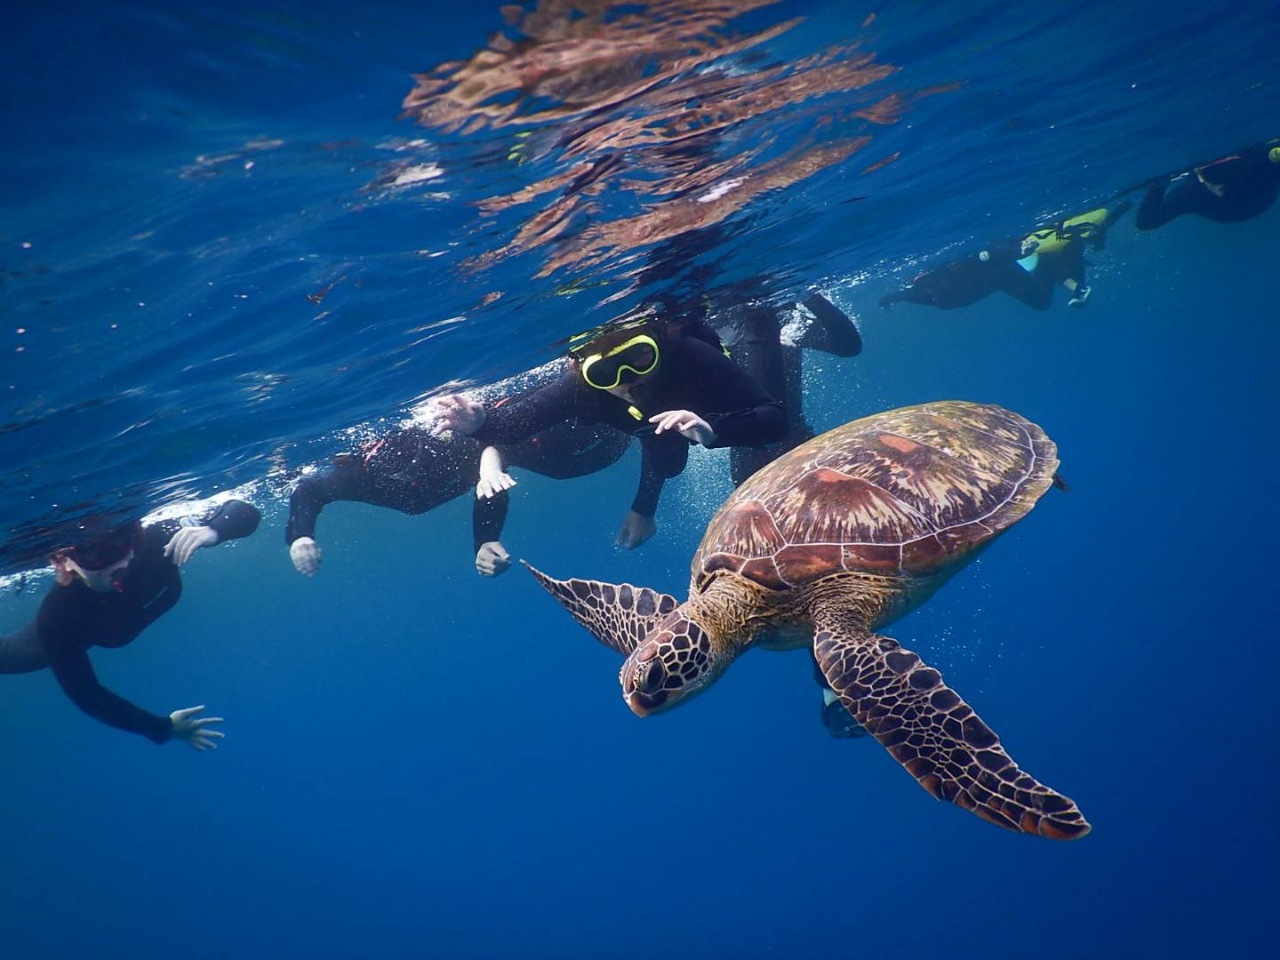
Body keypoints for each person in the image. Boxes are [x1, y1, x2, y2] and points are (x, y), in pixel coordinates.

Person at [431, 314, 790, 549]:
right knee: (669, 459)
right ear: (584, 372)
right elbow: (512, 426)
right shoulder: (580, 388)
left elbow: (774, 420)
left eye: (637, 358)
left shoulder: (688, 355)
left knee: (768, 445)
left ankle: (781, 331)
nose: (626, 380)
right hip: (665, 434)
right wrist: (479, 425)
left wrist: (713, 431)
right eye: (605, 373)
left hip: (723, 397)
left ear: (657, 344)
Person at [0, 499, 260, 747]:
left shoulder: (156, 540)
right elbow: (86, 693)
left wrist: (213, 531)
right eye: (92, 552)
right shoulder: (59, 616)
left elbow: (244, 511)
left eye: (124, 539)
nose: (118, 559)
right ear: (64, 563)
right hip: (57, 640)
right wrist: (161, 727)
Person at [286, 415, 629, 577]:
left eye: (414, 465)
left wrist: (486, 540)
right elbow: (308, 489)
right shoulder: (360, 475)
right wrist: (302, 536)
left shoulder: (448, 448)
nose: (413, 475)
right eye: (403, 472)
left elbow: (491, 483)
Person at [881, 204, 1131, 312]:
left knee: (1039, 296)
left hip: (998, 271)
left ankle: (1078, 278)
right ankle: (1078, 277)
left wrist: (1016, 252)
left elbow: (981, 260)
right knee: (1034, 272)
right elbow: (903, 295)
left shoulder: (941, 282)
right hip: (997, 272)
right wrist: (889, 300)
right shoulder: (929, 291)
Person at [1136, 139, 1280, 230]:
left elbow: (1146, 222)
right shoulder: (1257, 164)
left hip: (1239, 204)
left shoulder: (1194, 193)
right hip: (1247, 203)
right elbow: (1146, 222)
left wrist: (1157, 187)